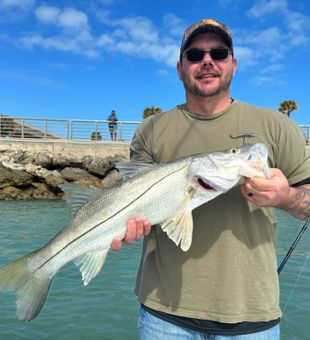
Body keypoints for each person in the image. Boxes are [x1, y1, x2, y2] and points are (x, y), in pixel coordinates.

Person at [112, 18, 310, 339]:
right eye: (194, 55)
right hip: (163, 317)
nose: (207, 61)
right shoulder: (149, 130)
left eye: (218, 53)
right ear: (180, 68)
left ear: (233, 64)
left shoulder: (276, 125)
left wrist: (286, 197)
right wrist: (132, 225)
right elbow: (135, 201)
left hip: (252, 320)